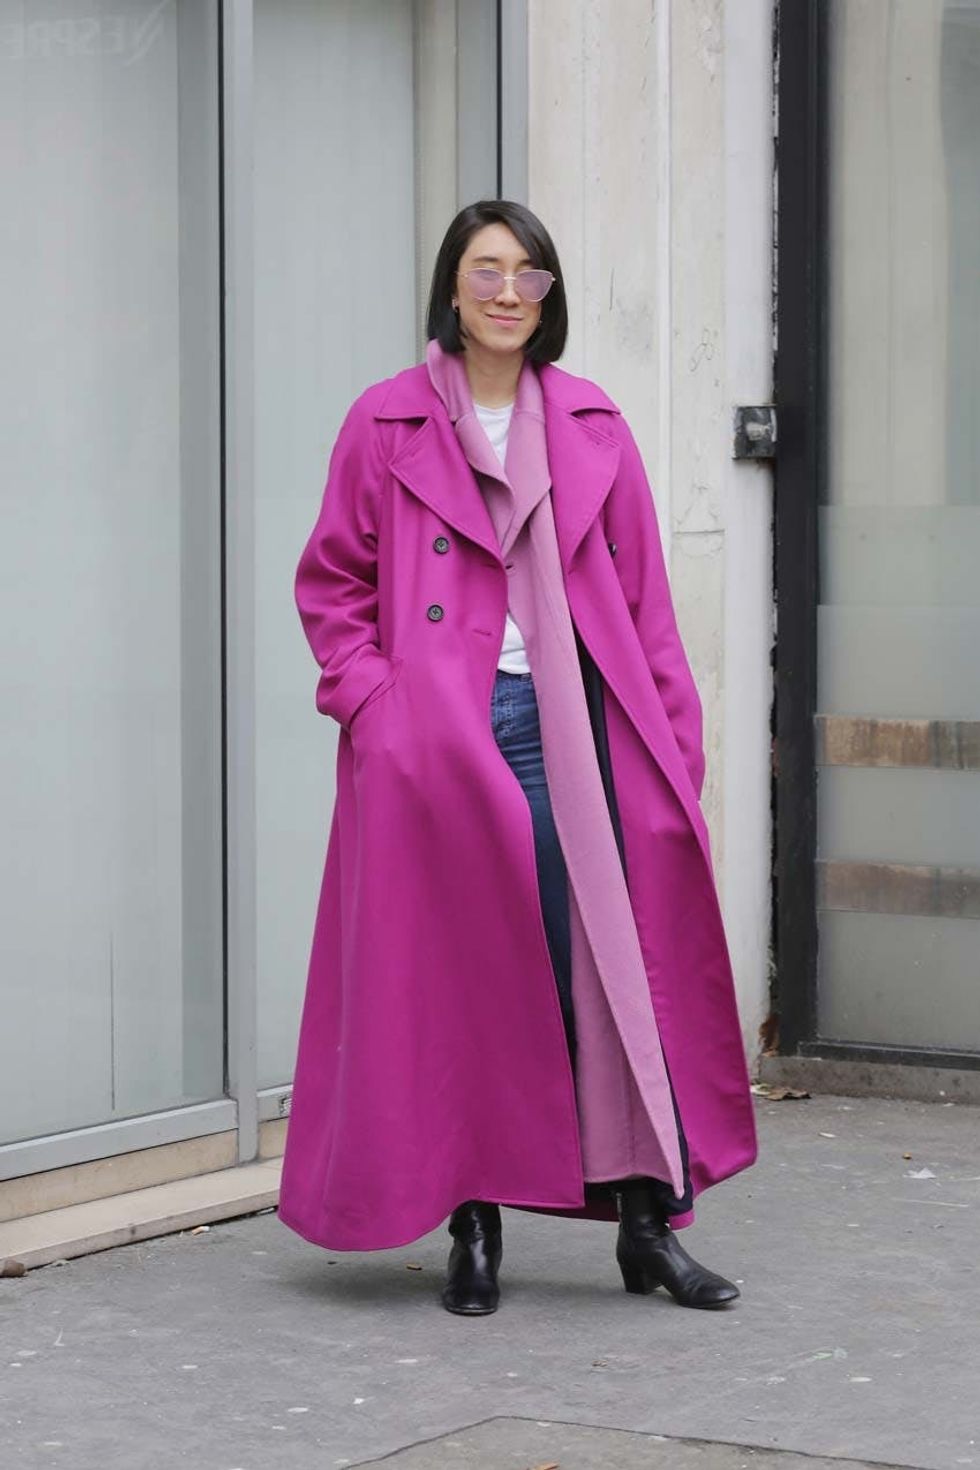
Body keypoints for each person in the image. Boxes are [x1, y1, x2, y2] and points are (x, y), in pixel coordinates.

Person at [278, 200, 758, 1316]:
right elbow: (332, 585)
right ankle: (474, 1231)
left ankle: (646, 1225)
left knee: (603, 969)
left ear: (548, 297)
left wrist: (673, 753)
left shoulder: (590, 423)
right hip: (437, 737)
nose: (506, 292)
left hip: (572, 733)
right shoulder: (386, 421)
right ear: (451, 287)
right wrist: (379, 709)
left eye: (528, 274)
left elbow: (643, 606)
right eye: (485, 270)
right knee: (463, 981)